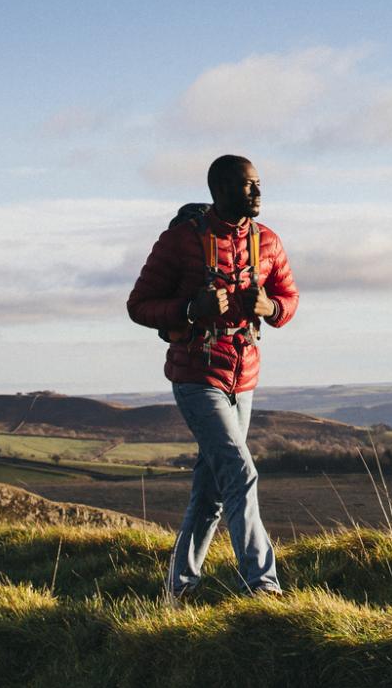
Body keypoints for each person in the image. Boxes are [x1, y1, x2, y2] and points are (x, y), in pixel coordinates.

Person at [126, 153, 299, 600]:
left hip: (245, 378)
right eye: (248, 185)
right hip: (196, 375)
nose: (259, 192)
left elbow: (288, 296)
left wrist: (272, 308)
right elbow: (139, 305)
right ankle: (262, 585)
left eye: (259, 183)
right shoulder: (179, 243)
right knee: (240, 473)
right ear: (220, 190)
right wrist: (189, 310)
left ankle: (179, 588)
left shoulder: (269, 242)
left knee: (212, 494)